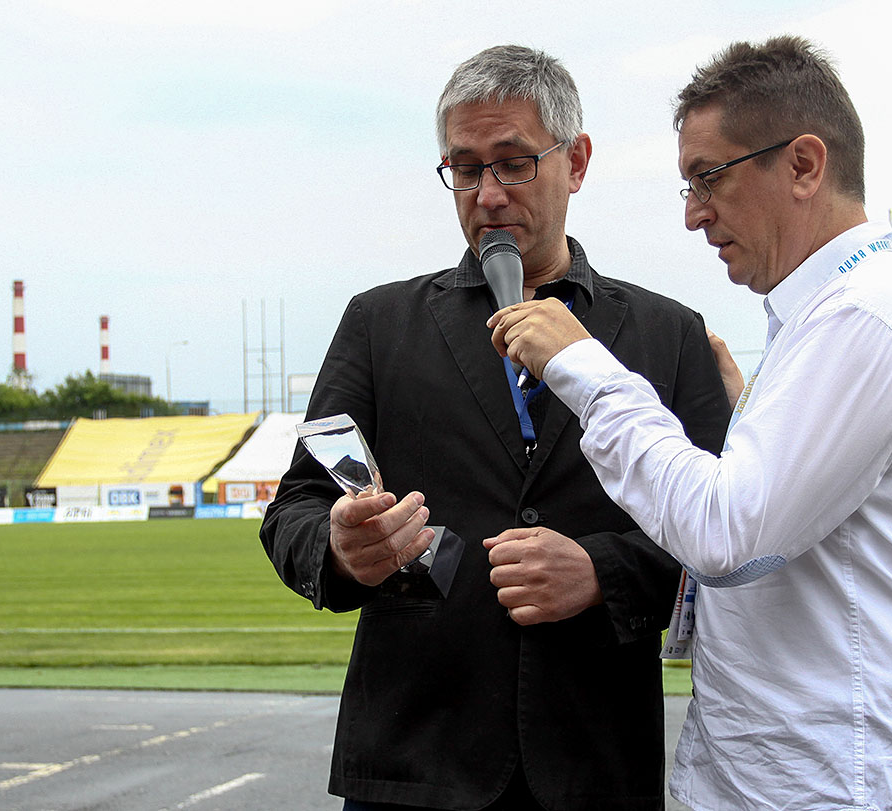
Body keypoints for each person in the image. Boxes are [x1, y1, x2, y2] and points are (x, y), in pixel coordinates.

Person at [489, 36, 892, 810]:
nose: (694, 214)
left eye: (709, 177)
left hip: (853, 781)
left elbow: (728, 533)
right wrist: (747, 417)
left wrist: (587, 370)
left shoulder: (868, 317)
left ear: (803, 165)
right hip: (809, 772)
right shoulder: (825, 317)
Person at [260, 45, 730, 811]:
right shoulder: (378, 323)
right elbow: (295, 511)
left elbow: (722, 531)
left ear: (576, 162)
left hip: (595, 767)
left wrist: (600, 571)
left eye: (513, 163)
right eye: (465, 167)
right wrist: (340, 548)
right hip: (413, 770)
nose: (487, 194)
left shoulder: (669, 334)